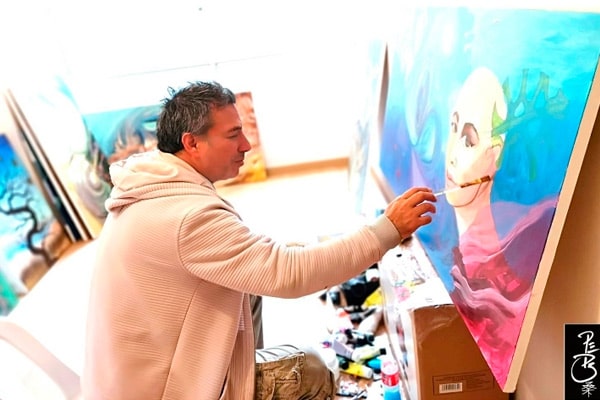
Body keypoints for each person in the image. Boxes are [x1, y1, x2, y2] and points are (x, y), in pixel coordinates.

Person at [82, 80, 437, 400]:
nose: (247, 145)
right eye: (233, 134)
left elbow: (259, 259)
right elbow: (289, 274)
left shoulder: (153, 186)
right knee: (310, 370)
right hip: (160, 391)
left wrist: (345, 243)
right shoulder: (186, 217)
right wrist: (387, 231)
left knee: (247, 292)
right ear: (192, 143)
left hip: (132, 376)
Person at [443, 67, 556, 387]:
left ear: (494, 156)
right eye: (453, 128)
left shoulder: (502, 291)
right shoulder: (453, 254)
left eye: (468, 140)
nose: (451, 155)